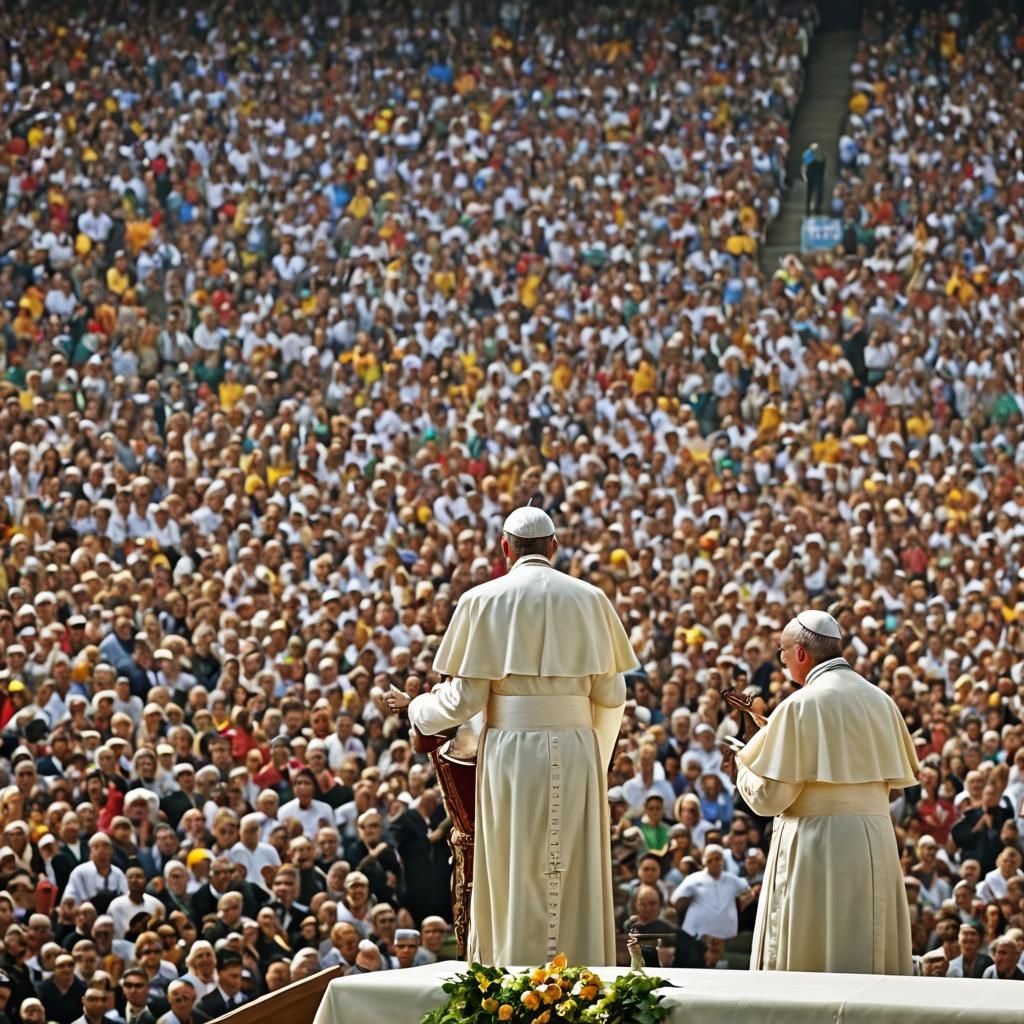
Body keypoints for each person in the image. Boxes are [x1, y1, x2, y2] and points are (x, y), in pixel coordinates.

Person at [393, 506, 637, 965]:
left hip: (512, 752)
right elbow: (611, 694)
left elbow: (464, 700)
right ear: (554, 547)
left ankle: (512, 978)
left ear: (505, 547)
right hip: (577, 749)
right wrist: (595, 759)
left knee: (515, 865)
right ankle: (581, 975)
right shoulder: (591, 599)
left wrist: (417, 709)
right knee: (574, 867)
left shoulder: (481, 600)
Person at [734, 611, 919, 974]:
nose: (782, 659)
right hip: (876, 842)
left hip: (817, 844)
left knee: (812, 962)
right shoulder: (882, 700)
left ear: (801, 653)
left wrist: (743, 764)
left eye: (783, 651)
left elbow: (769, 798)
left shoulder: (799, 705)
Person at [801, 142, 826, 215]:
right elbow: (804, 166)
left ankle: (817, 208)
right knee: (809, 193)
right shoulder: (807, 155)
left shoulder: (822, 157)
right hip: (810, 177)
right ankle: (808, 210)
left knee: (819, 192)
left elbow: (822, 165)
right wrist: (804, 176)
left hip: (818, 177)